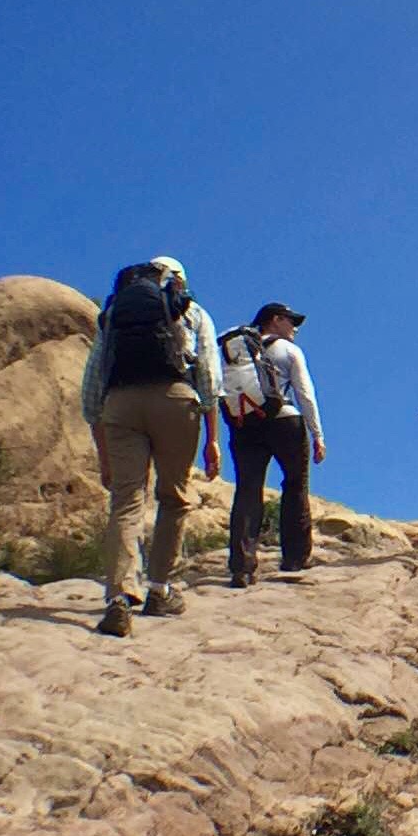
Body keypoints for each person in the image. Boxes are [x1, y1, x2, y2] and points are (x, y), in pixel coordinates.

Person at [80, 257, 223, 628]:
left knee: (126, 500)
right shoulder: (192, 311)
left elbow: (92, 386)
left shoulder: (115, 313)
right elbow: (209, 376)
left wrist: (103, 451)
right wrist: (212, 438)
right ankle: (159, 590)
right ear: (177, 281)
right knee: (174, 497)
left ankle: (119, 597)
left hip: (121, 404)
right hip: (175, 401)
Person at [220, 301, 325, 586]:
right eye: (292, 321)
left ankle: (242, 567)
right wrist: (317, 434)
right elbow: (305, 393)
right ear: (275, 319)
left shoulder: (235, 350)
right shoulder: (288, 350)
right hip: (284, 419)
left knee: (247, 490)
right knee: (295, 484)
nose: (295, 328)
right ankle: (295, 558)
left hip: (245, 423)